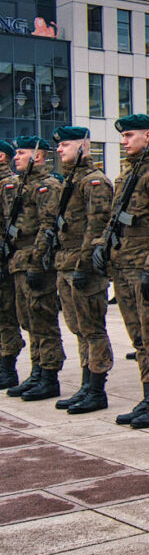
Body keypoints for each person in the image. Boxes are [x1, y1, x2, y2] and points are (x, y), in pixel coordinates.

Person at [93, 114, 149, 428]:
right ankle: (147, 396)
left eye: (130, 135)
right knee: (139, 337)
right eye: (123, 136)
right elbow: (115, 218)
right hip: (123, 266)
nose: (124, 141)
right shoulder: (126, 175)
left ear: (148, 135)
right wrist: (102, 246)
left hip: (144, 267)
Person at [48, 127, 114, 413]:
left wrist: (84, 265)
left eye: (65, 144)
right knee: (78, 328)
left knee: (92, 328)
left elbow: (96, 226)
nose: (60, 150)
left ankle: (97, 389)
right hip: (66, 264)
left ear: (83, 146)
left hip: (82, 266)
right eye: (59, 145)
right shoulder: (70, 180)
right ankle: (87, 384)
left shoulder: (94, 181)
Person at [4, 137, 65, 401]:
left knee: (43, 319)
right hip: (20, 259)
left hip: (35, 260)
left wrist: (38, 261)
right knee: (29, 320)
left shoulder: (47, 186)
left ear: (38, 156)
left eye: (21, 153)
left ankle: (49, 376)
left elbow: (47, 225)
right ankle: (37, 371)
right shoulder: (21, 185)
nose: (15, 157)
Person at [0, 141, 27, 390]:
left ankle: (7, 369)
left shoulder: (9, 184)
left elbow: (11, 223)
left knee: (6, 315)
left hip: (4, 260)